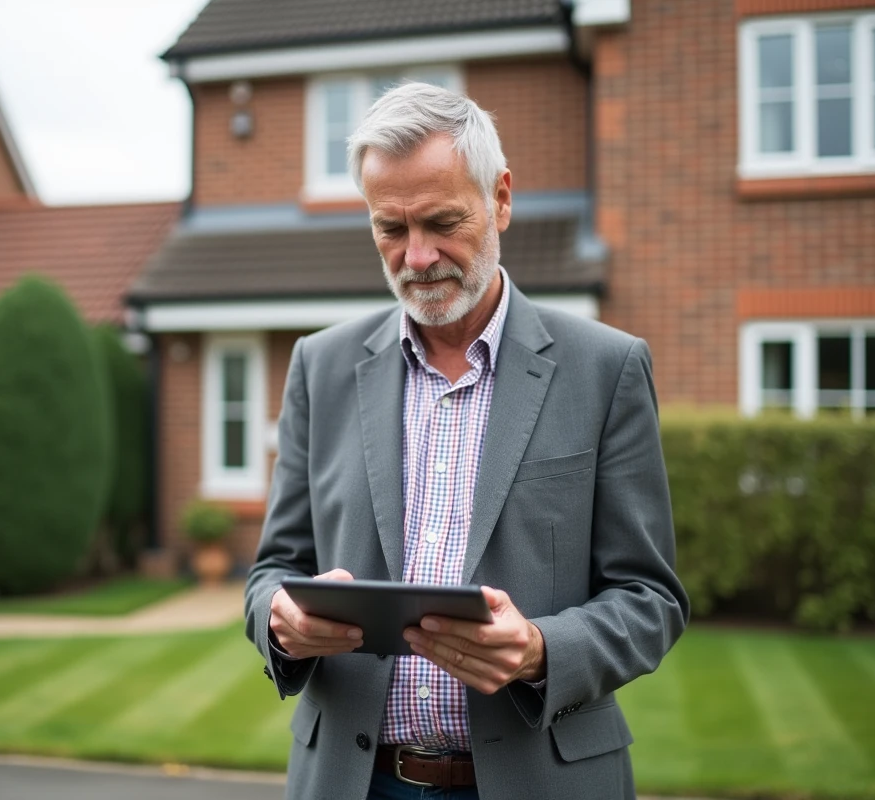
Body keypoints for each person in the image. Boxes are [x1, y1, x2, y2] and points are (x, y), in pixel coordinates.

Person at [245, 82, 688, 800]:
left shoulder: (606, 368)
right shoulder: (319, 367)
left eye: (442, 221)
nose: (417, 257)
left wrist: (541, 650)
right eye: (390, 228)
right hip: (352, 782)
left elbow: (650, 598)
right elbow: (273, 569)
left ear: (502, 198)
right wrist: (280, 619)